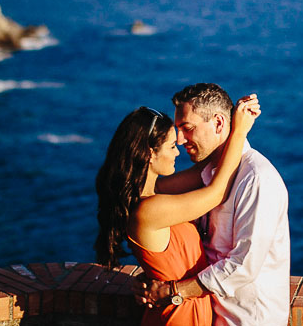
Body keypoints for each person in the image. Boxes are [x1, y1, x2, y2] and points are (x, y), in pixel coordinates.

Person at [95, 95, 261, 326]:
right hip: (177, 316)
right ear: (150, 153)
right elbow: (216, 192)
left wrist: (225, 125)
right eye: (172, 146)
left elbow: (207, 166)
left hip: (183, 312)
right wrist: (240, 131)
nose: (178, 151)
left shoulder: (155, 196)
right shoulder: (150, 210)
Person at [136, 83, 291, 326]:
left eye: (187, 128)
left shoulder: (256, 179)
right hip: (211, 317)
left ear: (219, 123)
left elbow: (244, 265)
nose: (179, 139)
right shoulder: (206, 175)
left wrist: (173, 292)